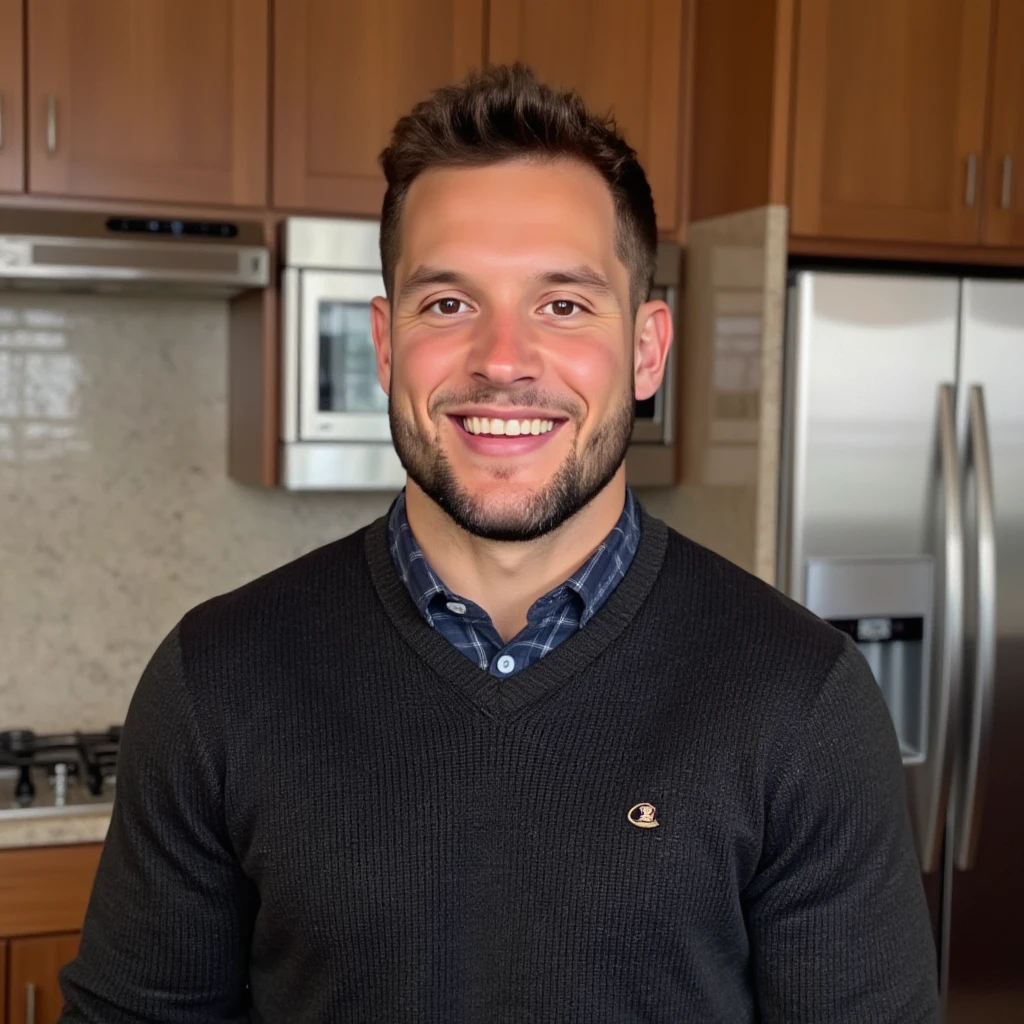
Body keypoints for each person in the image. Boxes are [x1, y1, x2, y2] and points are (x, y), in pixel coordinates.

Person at [58, 64, 939, 1023]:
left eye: (563, 304)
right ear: (386, 345)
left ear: (646, 350)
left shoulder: (800, 697)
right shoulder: (216, 677)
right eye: (449, 303)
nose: (504, 360)